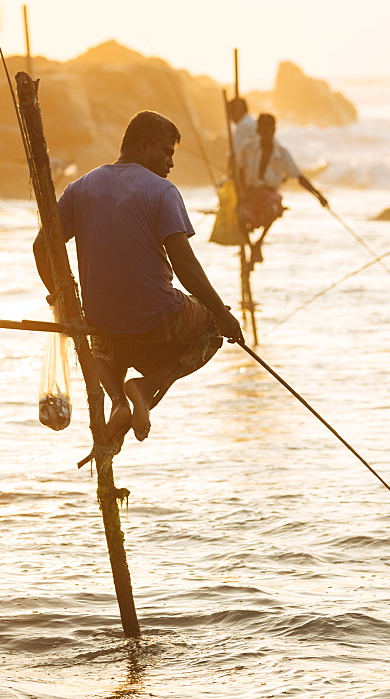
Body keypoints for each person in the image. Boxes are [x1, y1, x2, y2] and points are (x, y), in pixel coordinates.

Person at [33, 110, 243, 448]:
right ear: (143, 146)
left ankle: (117, 400)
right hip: (157, 317)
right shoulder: (162, 191)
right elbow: (186, 267)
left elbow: (42, 246)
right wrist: (222, 313)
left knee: (95, 341)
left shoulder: (81, 187)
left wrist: (61, 297)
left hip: (103, 323)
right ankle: (143, 388)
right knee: (212, 326)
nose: (170, 162)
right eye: (166, 151)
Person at [236, 112, 329, 268]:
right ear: (258, 130)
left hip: (270, 194)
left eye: (269, 129)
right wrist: (241, 191)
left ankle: (259, 243)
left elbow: (298, 177)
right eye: (262, 129)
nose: (266, 133)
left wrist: (318, 195)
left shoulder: (282, 154)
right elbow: (238, 171)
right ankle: (252, 247)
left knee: (272, 210)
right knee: (240, 217)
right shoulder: (247, 147)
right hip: (250, 193)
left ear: (273, 130)